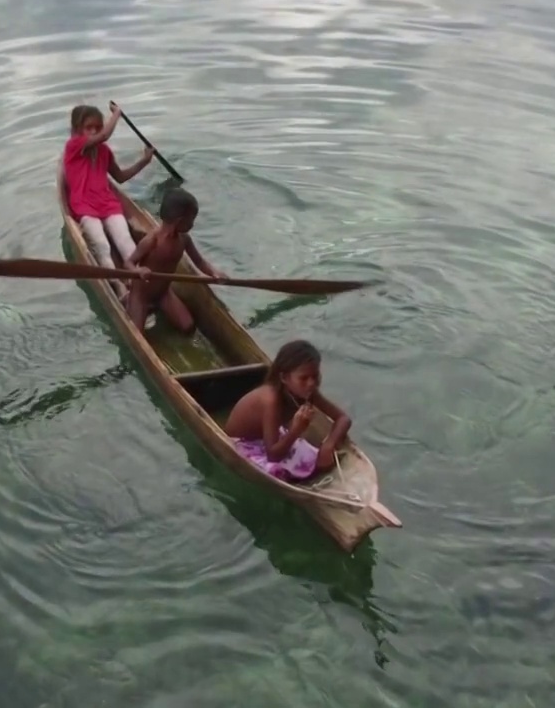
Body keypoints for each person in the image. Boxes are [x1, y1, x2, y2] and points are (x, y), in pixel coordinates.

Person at [223, 339, 352, 483]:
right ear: (284, 378)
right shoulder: (271, 400)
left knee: (316, 455)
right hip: (244, 444)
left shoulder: (308, 392)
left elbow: (343, 418)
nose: (311, 383)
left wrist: (328, 444)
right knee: (275, 471)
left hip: (272, 440)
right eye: (303, 378)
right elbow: (273, 456)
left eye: (315, 376)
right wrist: (296, 430)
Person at [63, 102, 155, 296]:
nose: (95, 131)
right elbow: (105, 135)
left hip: (107, 203)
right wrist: (117, 115)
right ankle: (118, 286)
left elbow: (120, 176)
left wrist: (144, 162)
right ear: (77, 130)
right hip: (84, 205)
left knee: (126, 241)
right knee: (102, 246)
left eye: (97, 127)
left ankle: (134, 280)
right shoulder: (74, 146)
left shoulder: (104, 151)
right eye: (89, 128)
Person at [123, 186, 227, 333]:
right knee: (136, 334)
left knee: (188, 328)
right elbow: (128, 263)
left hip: (163, 293)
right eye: (191, 220)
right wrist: (138, 270)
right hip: (141, 296)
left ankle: (158, 306)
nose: (192, 224)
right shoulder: (152, 240)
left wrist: (214, 272)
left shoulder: (184, 239)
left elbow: (200, 262)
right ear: (179, 221)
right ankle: (130, 299)